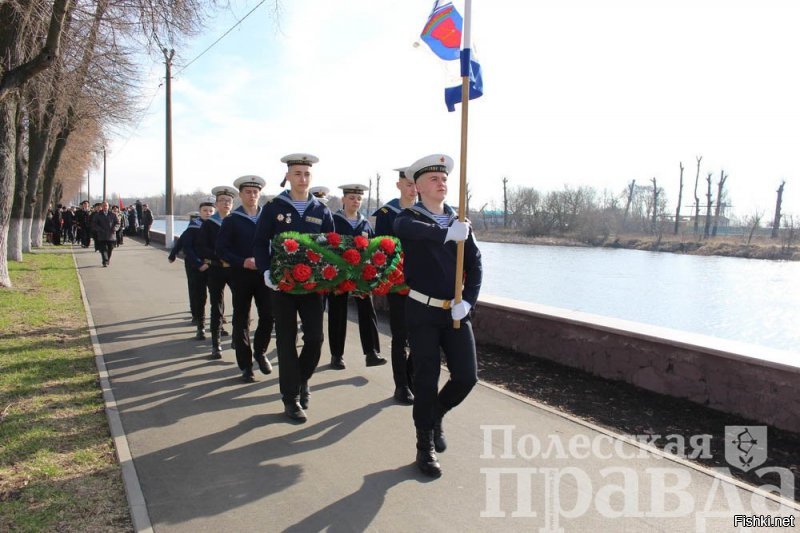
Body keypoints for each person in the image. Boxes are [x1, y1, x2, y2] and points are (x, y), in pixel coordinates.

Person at [393, 154, 482, 478]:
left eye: (444, 178)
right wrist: (446, 234)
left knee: (467, 376)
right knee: (426, 380)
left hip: (454, 312)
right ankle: (424, 445)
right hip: (422, 312)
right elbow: (406, 229)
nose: (441, 182)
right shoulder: (409, 218)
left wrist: (468, 301)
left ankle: (437, 416)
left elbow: (475, 266)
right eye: (433, 178)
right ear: (417, 186)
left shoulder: (460, 222)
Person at [254, 153, 334, 422]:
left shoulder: (321, 210)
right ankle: (290, 400)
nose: (303, 178)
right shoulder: (274, 207)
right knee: (287, 341)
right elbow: (260, 241)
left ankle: (301, 379)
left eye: (307, 174)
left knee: (315, 339)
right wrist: (266, 271)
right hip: (282, 285)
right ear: (288, 176)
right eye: (297, 173)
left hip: (312, 287)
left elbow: (331, 246)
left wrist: (332, 275)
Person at [217, 175, 274, 383]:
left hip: (264, 275)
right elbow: (221, 250)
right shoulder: (232, 220)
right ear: (240, 195)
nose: (252, 196)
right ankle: (246, 365)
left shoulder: (267, 218)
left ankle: (260, 352)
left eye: (255, 192)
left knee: (268, 315)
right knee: (241, 319)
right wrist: (242, 261)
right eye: (248, 192)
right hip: (241, 275)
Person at [327, 183, 387, 371]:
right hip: (339, 273)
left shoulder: (365, 223)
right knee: (338, 313)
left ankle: (371, 353)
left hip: (361, 274)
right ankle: (337, 356)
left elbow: (372, 247)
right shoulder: (333, 221)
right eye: (352, 198)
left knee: (367, 310)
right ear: (343, 199)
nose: (355, 201)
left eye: (359, 198)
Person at [373, 167, 417, 405]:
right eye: (408, 184)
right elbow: (379, 248)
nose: (412, 189)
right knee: (400, 336)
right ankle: (401, 386)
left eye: (415, 184)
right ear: (398, 185)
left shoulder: (425, 212)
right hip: (398, 283)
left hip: (423, 284)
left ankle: (411, 378)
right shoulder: (387, 213)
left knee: (421, 335)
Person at [196, 185, 235, 359]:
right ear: (216, 204)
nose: (226, 203)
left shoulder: (236, 221)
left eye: (229, 201)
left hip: (235, 269)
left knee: (242, 304)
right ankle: (216, 344)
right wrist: (221, 257)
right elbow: (202, 248)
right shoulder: (209, 225)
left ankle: (238, 337)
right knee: (216, 306)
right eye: (222, 201)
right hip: (216, 269)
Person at [92, 201, 119, 267]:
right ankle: (105, 261)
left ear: (108, 207)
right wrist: (99, 229)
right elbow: (94, 224)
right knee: (103, 249)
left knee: (110, 249)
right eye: (103, 206)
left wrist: (115, 228)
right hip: (102, 235)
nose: (105, 207)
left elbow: (117, 223)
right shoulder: (97, 215)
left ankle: (107, 259)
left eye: (106, 206)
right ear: (101, 207)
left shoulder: (113, 215)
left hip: (111, 235)